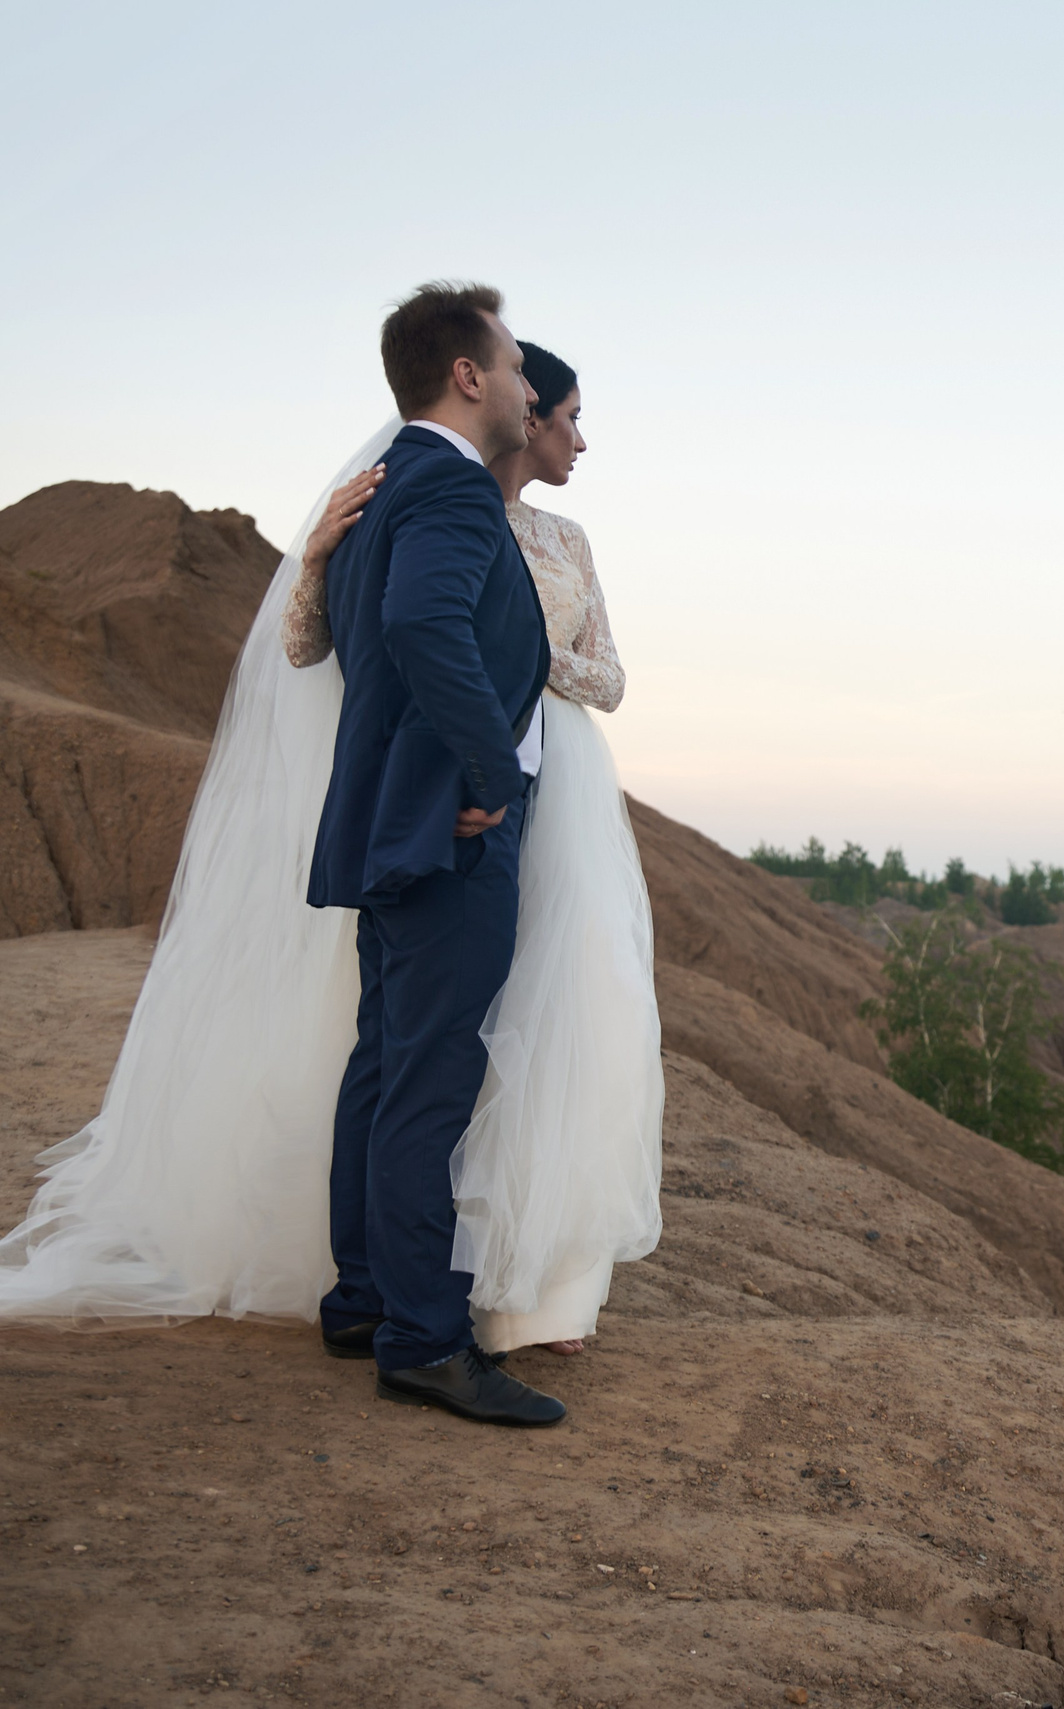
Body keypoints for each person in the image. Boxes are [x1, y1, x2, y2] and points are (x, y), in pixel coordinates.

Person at [0, 283, 660, 1434]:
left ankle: (361, 1294)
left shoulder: (375, 500)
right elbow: (418, 629)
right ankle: (420, 1336)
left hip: (391, 829)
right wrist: (489, 778)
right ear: (469, 375)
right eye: (511, 365)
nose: (519, 382)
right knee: (427, 1082)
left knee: (386, 1060)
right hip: (449, 835)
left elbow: (366, 644)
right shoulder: (450, 495)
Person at [286, 336, 661, 1368]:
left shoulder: (564, 540)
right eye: (570, 416)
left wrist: (522, 659)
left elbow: (610, 676)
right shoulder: (424, 507)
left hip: (560, 799)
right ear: (519, 409)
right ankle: (415, 1307)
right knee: (425, 1052)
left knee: (537, 1025)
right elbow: (322, 645)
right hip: (465, 800)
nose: (580, 439)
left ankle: (505, 1281)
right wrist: (316, 556)